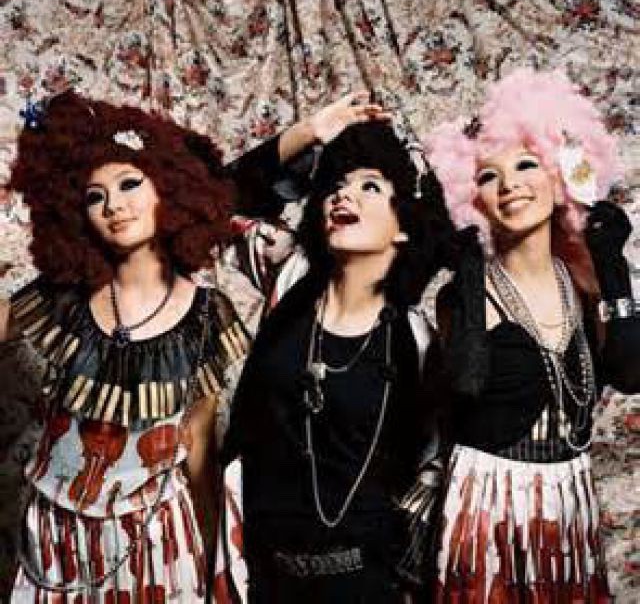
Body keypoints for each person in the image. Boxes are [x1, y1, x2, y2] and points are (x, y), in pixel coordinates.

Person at [0, 89, 385, 602]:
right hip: (57, 536)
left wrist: (210, 556)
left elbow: (198, 444)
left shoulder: (204, 314)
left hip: (156, 538)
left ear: (167, 192)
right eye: (95, 197)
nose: (114, 205)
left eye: (130, 183)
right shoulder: (63, 297)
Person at [425, 67, 640, 602]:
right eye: (487, 176)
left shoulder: (586, 285)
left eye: (526, 164)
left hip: (569, 503)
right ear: (471, 198)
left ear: (559, 175)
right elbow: (464, 385)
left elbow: (633, 373)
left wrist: (611, 264)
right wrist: (467, 270)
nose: (509, 185)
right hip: (488, 504)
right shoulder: (465, 292)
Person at [221, 120, 456, 602]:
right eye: (336, 185)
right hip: (265, 580)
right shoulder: (289, 277)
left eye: (370, 186)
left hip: (364, 585)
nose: (343, 195)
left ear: (404, 227)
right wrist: (310, 131)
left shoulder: (415, 341)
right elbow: (211, 202)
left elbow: (429, 470)